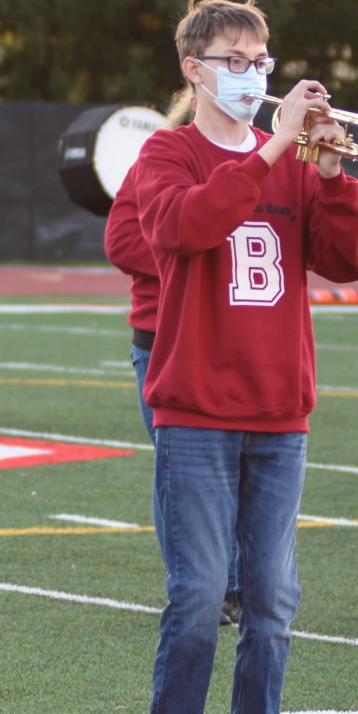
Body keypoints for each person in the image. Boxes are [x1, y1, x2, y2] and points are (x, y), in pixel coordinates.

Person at [128, 0, 358, 714]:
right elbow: (187, 226)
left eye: (261, 61)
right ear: (193, 70)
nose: (254, 75)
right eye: (235, 61)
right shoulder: (166, 155)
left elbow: (345, 260)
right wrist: (275, 147)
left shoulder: (298, 164)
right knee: (199, 594)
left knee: (271, 599)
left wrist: (335, 174)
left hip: (279, 410)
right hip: (195, 405)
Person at [104, 141, 241, 626]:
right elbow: (121, 241)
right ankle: (205, 586)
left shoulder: (262, 156)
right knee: (177, 470)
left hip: (234, 332)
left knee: (244, 468)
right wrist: (194, 250)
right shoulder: (157, 159)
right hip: (162, 333)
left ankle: (238, 584)